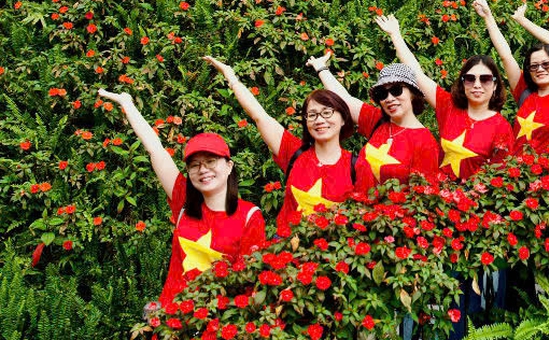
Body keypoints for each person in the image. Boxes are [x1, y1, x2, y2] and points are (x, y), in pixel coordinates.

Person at [97, 88, 265, 311]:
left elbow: (249, 282)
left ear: (229, 166)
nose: (203, 170)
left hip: (216, 322)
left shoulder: (249, 216)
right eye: (195, 165)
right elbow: (155, 150)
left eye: (211, 161)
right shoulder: (183, 202)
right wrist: (128, 104)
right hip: (171, 320)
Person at [204, 56, 357, 235]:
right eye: (312, 115)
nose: (319, 120)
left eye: (327, 112)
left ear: (343, 119)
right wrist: (230, 76)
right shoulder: (294, 152)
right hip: (284, 248)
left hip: (331, 250)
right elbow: (259, 115)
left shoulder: (357, 166)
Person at [375, 14, 514, 181]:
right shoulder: (449, 106)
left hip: (476, 197)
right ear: (463, 83)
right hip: (437, 193)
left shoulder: (502, 128)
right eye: (470, 79)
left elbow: (501, 178)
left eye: (485, 79)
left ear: (495, 85)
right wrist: (395, 35)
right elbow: (416, 74)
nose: (477, 84)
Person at [308, 57, 441, 190]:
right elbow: (345, 100)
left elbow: (424, 194)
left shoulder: (425, 142)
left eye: (396, 90)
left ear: (412, 93)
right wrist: (321, 67)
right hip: (356, 202)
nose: (389, 98)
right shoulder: (377, 121)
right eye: (382, 94)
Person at [472, 0, 549, 150]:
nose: (540, 69)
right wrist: (488, 17)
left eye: (546, 64)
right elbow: (506, 56)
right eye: (534, 66)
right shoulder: (524, 91)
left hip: (545, 165)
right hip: (514, 164)